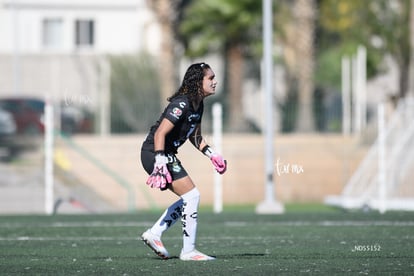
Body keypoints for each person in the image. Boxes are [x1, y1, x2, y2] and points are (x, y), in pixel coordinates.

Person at [140, 62, 227, 261]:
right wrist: (160, 161)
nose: (215, 82)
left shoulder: (198, 104)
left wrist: (212, 154)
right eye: (210, 78)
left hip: (164, 154)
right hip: (155, 153)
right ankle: (188, 251)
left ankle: (155, 233)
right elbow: (161, 132)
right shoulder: (182, 103)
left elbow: (194, 136)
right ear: (198, 81)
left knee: (190, 197)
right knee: (192, 196)